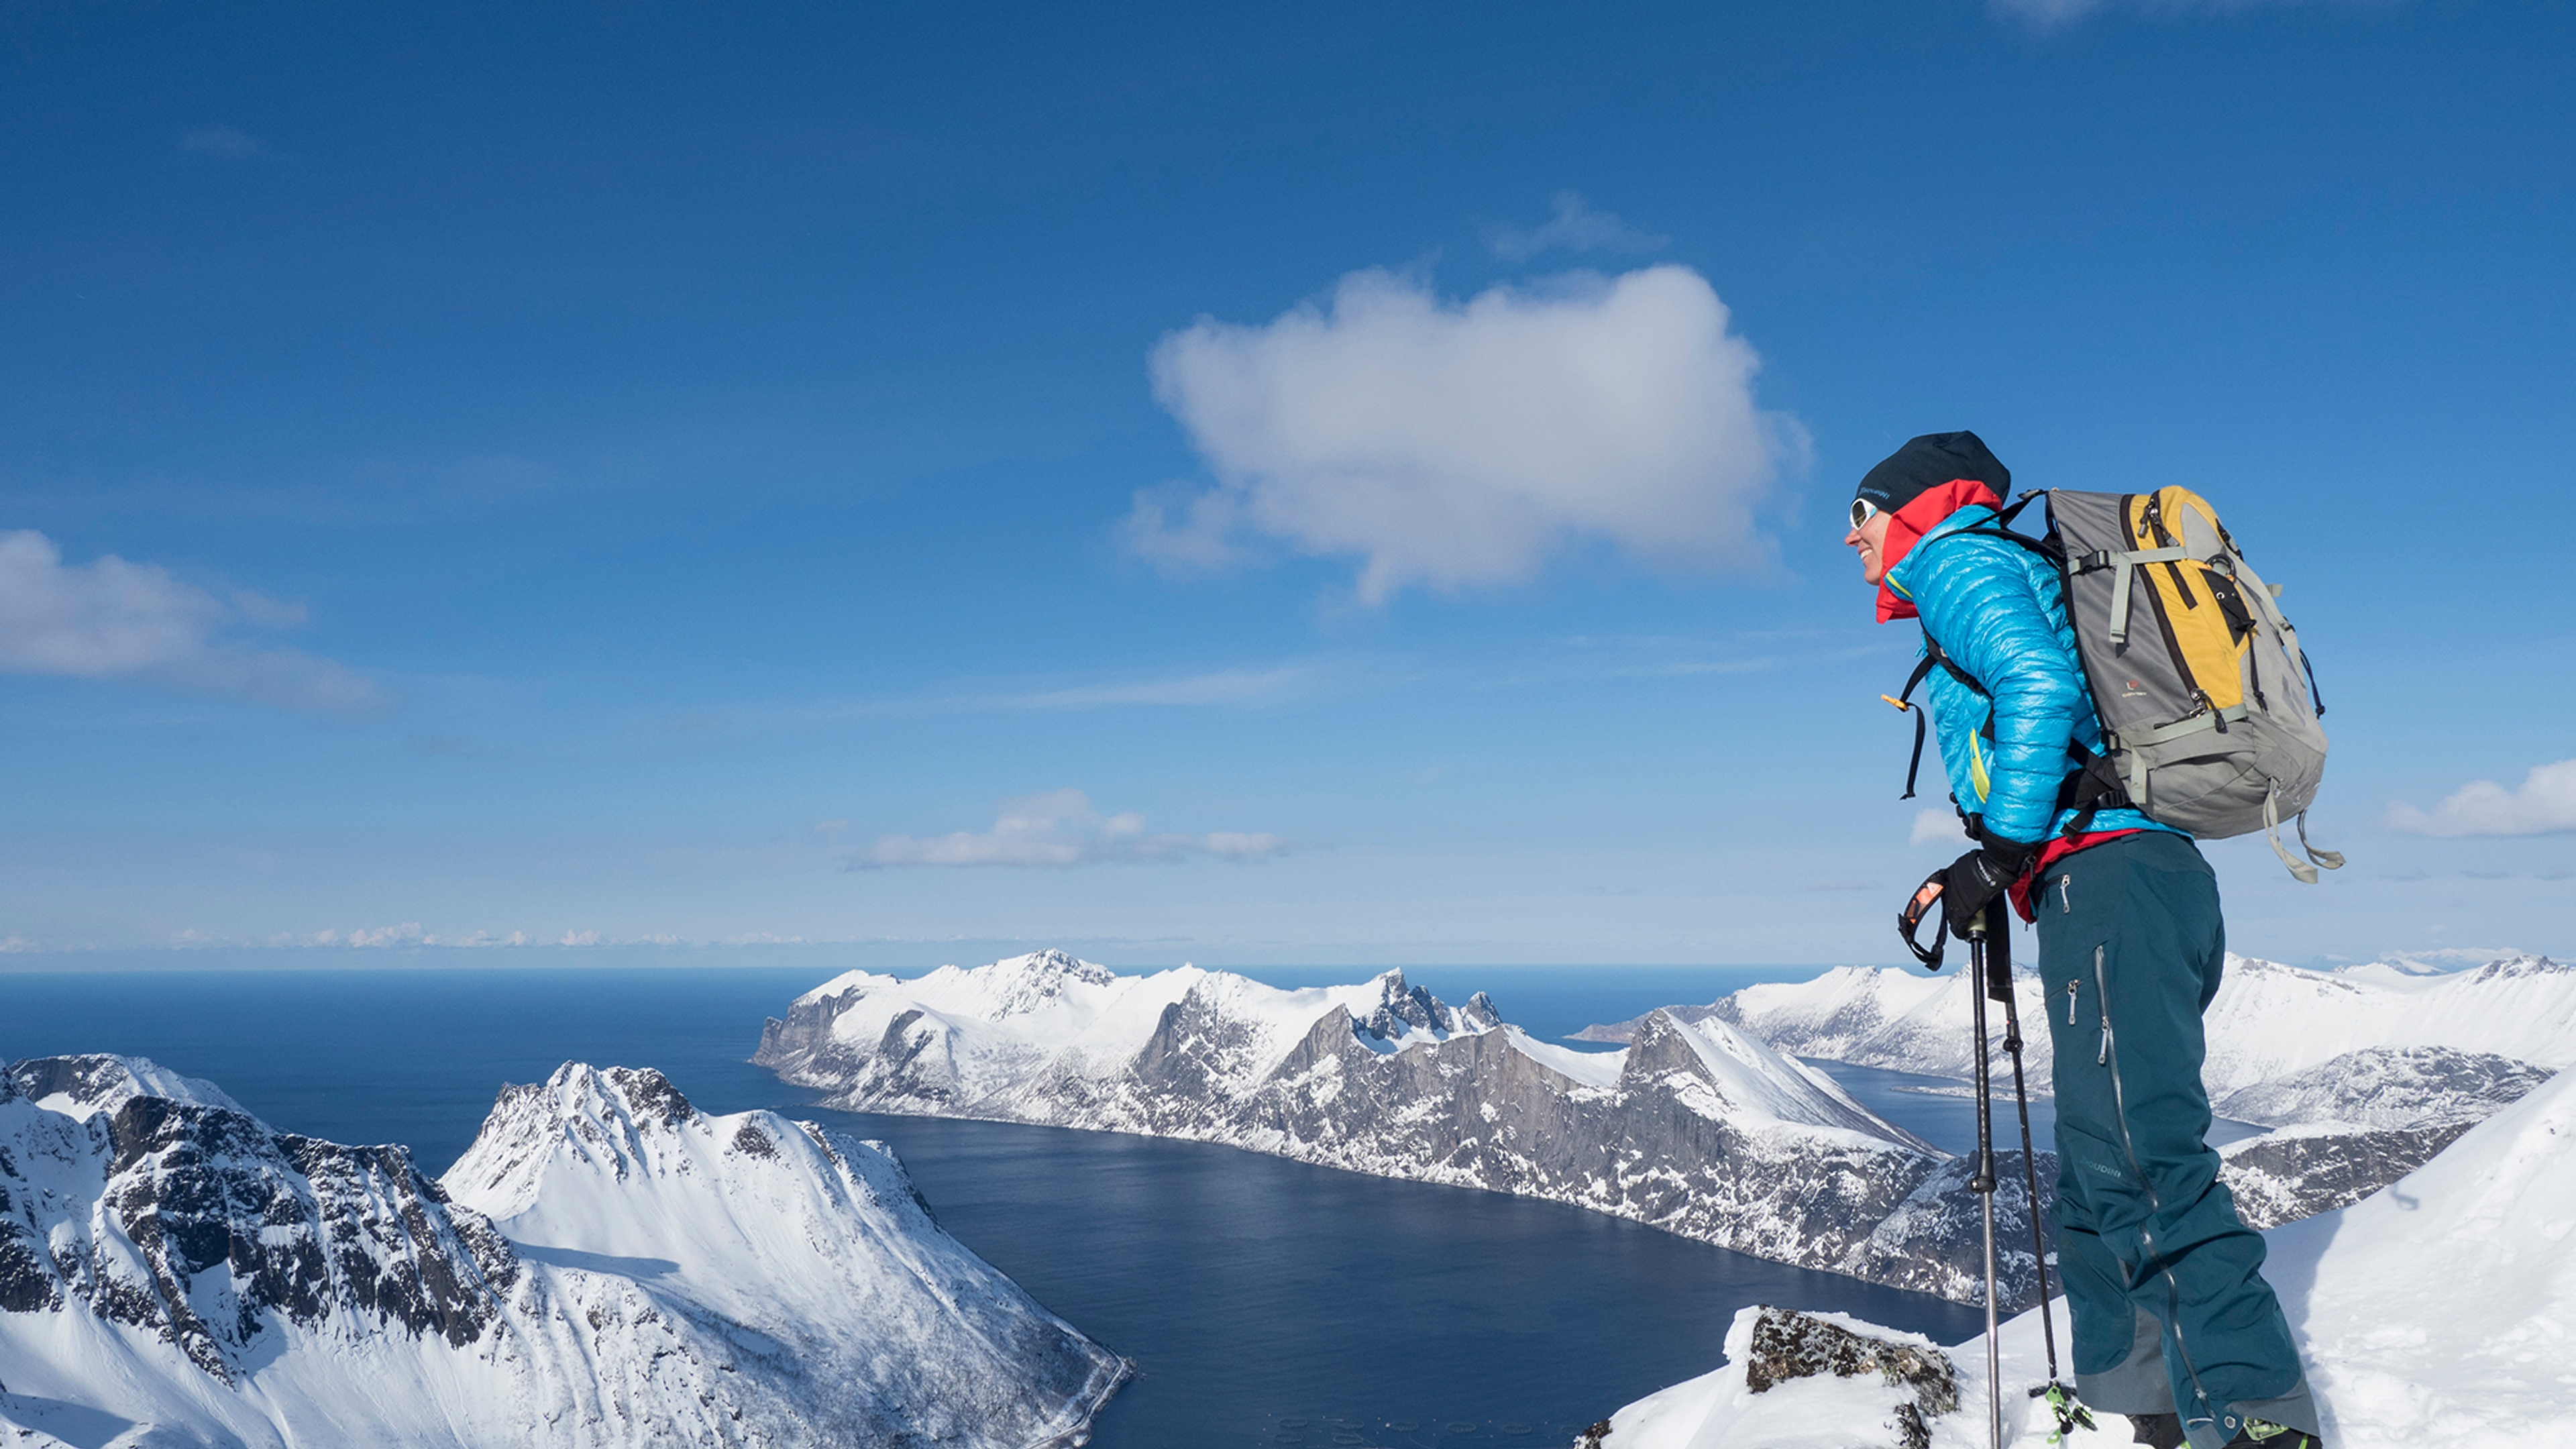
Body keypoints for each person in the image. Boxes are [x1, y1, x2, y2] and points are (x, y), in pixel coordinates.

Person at [1845, 432, 2325, 1449]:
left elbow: (2037, 684)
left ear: (1915, 507)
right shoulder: (2001, 567)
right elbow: (2054, 725)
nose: (1850, 539)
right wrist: (1988, 864)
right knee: (2102, 1158)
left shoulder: (1957, 561)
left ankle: (2250, 1417)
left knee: (2146, 1155)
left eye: (1859, 513)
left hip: (2109, 885)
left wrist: (2006, 847)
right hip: (2117, 884)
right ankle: (2140, 1403)